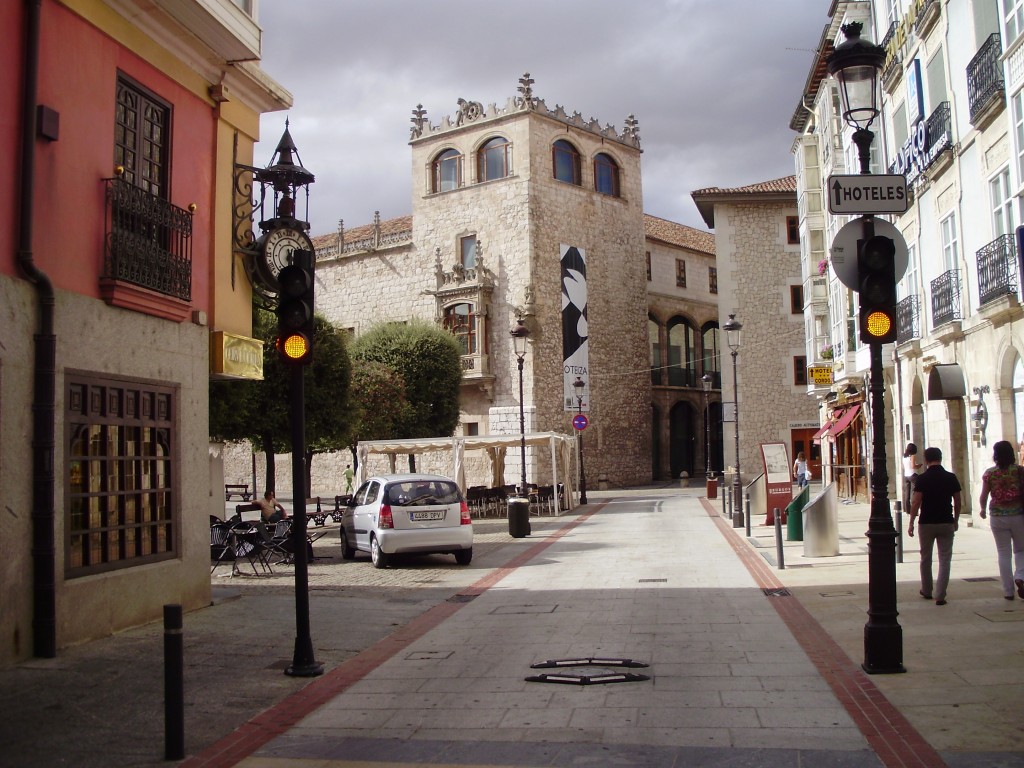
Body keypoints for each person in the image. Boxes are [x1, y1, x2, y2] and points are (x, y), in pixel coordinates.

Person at [908, 447, 962, 605]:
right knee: (945, 559)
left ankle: (926, 589)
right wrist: (956, 519)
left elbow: (916, 501)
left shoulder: (922, 479)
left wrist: (911, 521)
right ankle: (940, 594)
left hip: (926, 522)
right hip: (946, 521)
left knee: (926, 557)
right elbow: (958, 501)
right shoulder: (951, 477)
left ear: (925, 460)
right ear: (940, 457)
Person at [978, 440, 1024, 600]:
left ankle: (1008, 591)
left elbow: (984, 495)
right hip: (1018, 514)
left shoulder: (990, 473)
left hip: (997, 516)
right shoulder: (1019, 471)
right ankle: (1020, 576)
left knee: (1004, 553)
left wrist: (982, 509)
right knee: (1020, 550)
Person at [902, 442, 922, 509]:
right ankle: (914, 507)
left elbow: (904, 467)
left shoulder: (904, 457)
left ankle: (907, 509)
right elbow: (913, 466)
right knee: (914, 492)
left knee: (907, 493)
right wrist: (919, 465)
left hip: (906, 475)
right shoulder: (912, 456)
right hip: (912, 475)